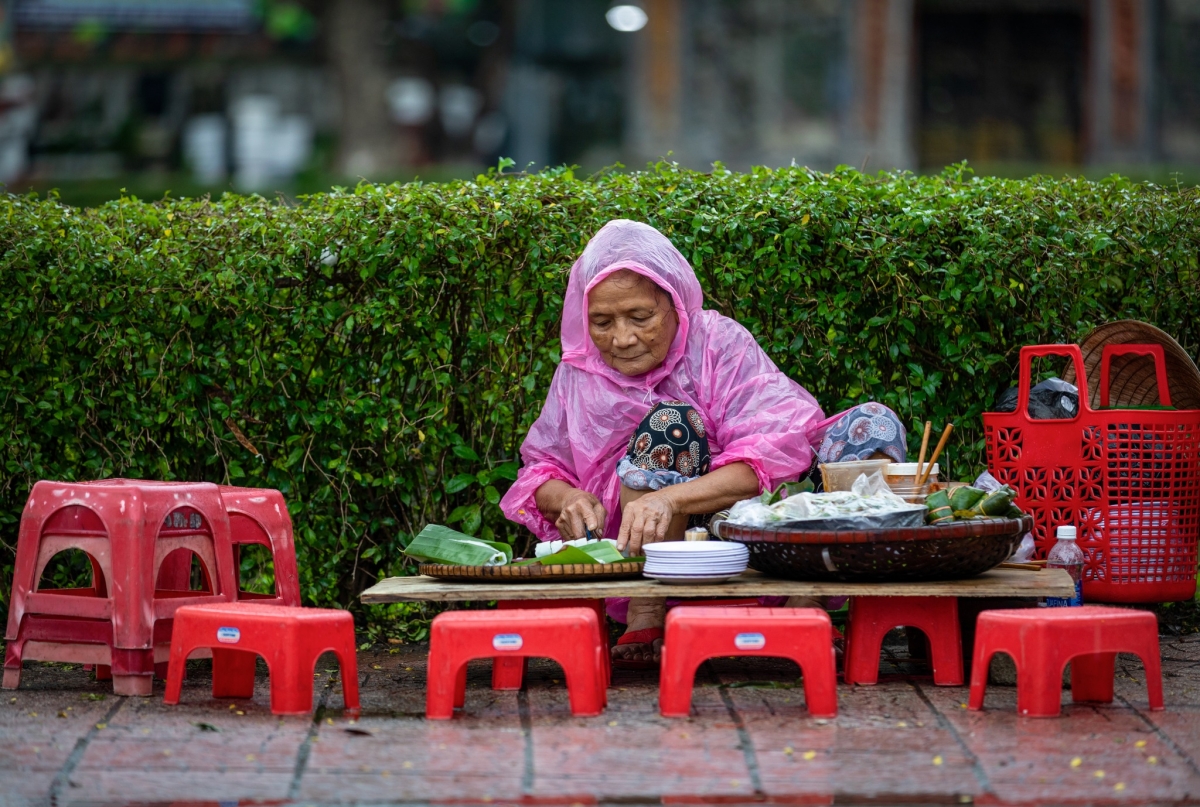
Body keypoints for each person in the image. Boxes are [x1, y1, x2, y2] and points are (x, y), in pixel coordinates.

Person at [500, 219, 827, 666]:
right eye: (601, 321)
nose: (622, 338)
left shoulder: (718, 343)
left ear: (674, 302)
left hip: (737, 526)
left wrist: (671, 499)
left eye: (640, 317)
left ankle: (805, 609)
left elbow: (775, 449)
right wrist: (570, 497)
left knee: (870, 427)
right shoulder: (579, 371)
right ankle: (646, 609)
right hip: (635, 549)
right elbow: (540, 469)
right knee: (670, 421)